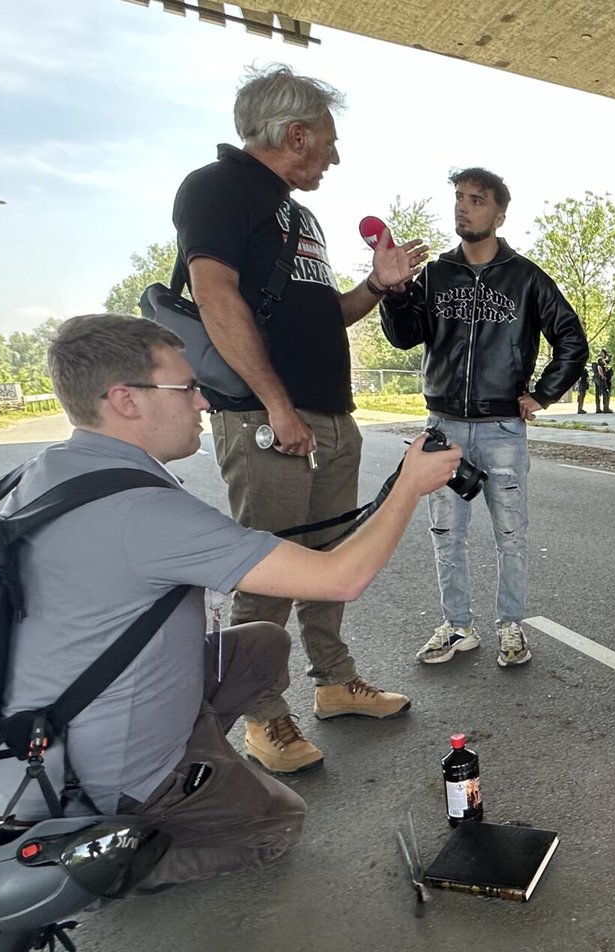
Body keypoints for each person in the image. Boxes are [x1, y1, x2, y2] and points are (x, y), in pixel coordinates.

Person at [0, 314, 460, 952]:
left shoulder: (41, 474)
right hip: (96, 771)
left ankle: (166, 767)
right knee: (275, 825)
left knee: (263, 645)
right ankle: (80, 862)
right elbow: (342, 577)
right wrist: (409, 485)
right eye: (187, 387)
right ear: (125, 400)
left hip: (38, 737)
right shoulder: (142, 513)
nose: (203, 402)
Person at [171, 64, 420, 775]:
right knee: (270, 569)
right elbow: (215, 296)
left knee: (330, 565)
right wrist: (277, 405)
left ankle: (336, 682)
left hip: (327, 415)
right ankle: (263, 713)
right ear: (296, 133)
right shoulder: (215, 188)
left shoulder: (296, 214)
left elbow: (324, 314)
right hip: (266, 416)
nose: (334, 157)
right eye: (329, 143)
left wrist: (377, 285)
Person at [380, 166, 588, 667]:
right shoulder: (434, 274)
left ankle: (510, 626)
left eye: (476, 199)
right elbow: (405, 335)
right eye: (459, 197)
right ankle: (456, 626)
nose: (463, 207)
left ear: (499, 212)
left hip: (501, 427)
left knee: (510, 533)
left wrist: (541, 394)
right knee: (446, 534)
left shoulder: (526, 277)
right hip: (443, 425)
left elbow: (571, 340)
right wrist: (396, 291)